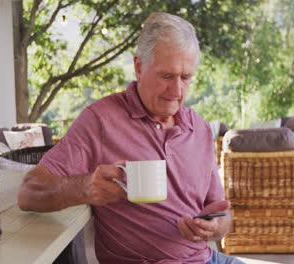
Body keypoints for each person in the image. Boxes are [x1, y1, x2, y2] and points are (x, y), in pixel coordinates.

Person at [18, 12, 244, 264]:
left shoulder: (199, 129)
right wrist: (84, 188)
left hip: (207, 259)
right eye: (167, 76)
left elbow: (222, 214)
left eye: (185, 77)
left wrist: (216, 227)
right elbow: (29, 192)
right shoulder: (101, 120)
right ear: (139, 67)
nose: (177, 90)